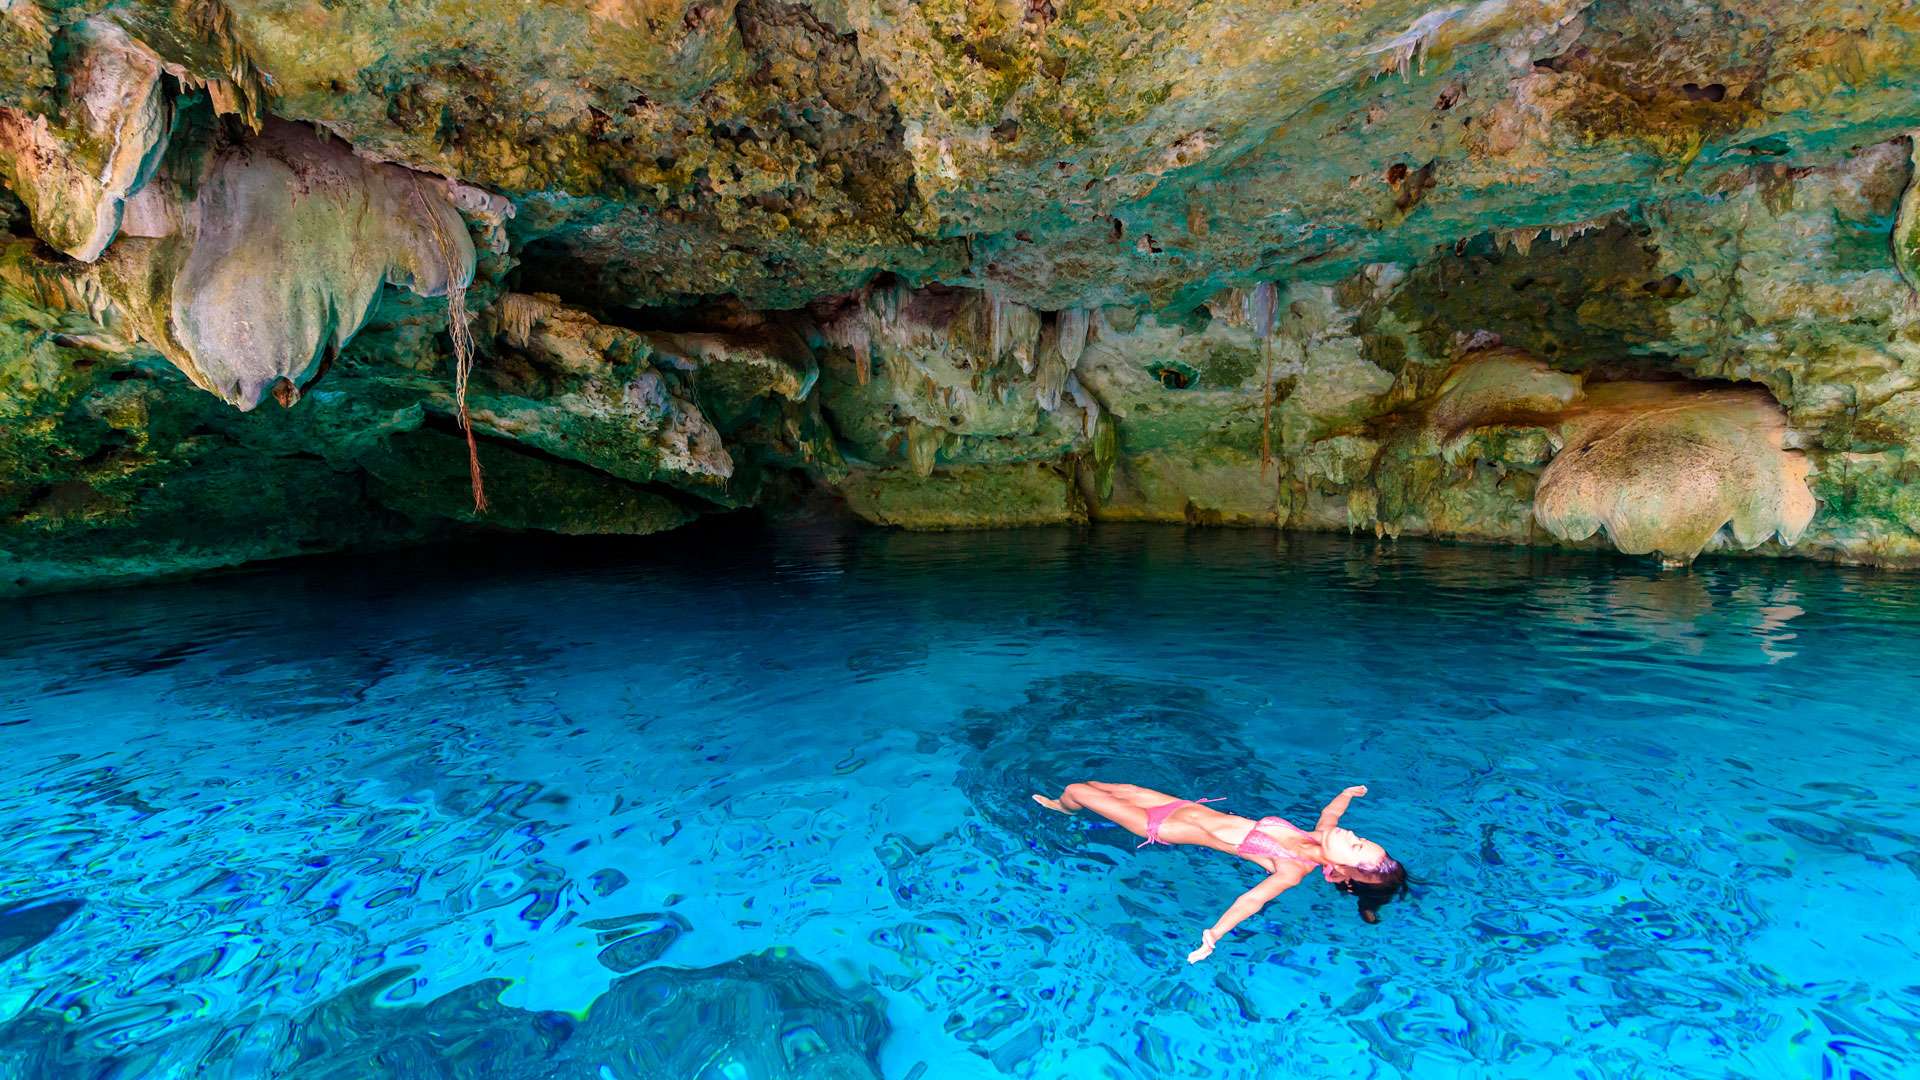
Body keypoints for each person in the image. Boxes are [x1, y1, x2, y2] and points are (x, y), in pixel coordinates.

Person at [1031, 781, 1408, 963]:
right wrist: (1348, 793)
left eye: (1356, 845)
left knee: (1077, 791)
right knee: (1101, 785)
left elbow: (1252, 900)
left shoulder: (1292, 869)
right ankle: (1068, 804)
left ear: (1343, 869)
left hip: (1160, 826)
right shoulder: (1321, 836)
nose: (1353, 835)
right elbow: (1332, 815)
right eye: (1361, 837)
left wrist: (1213, 935)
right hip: (1179, 806)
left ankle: (1063, 809)